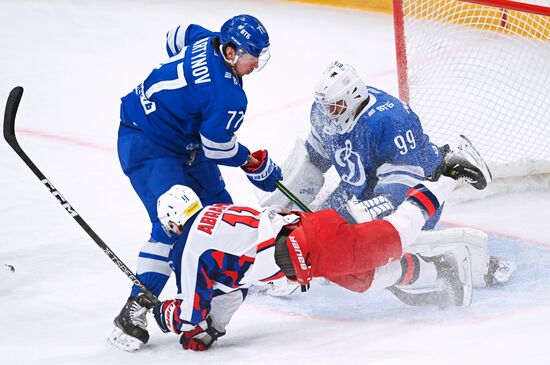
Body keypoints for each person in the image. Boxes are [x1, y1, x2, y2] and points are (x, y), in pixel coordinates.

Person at [110, 135, 492, 352]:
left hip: (309, 248)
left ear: (172, 222)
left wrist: (169, 315)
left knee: (396, 234)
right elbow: (232, 288)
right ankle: (437, 269)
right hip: (308, 244)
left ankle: (446, 171)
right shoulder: (217, 213)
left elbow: (191, 312)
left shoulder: (190, 249)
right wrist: (214, 329)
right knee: (362, 281)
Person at [257, 61, 515, 290]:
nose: (327, 113)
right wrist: (289, 194)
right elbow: (315, 158)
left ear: (353, 97)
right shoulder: (323, 112)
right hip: (358, 191)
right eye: (325, 107)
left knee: (358, 250)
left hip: (417, 193)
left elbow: (400, 189)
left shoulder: (390, 121)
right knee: (315, 234)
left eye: (334, 107)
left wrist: (361, 216)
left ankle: (455, 264)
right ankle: (273, 264)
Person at [109, 14, 283, 349]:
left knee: (224, 217)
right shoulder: (229, 97)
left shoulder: (206, 38)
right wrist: (253, 164)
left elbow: (176, 35)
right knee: (173, 225)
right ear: (230, 52)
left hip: (181, 141)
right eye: (251, 57)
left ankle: (217, 294)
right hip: (149, 143)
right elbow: (217, 148)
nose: (256, 64)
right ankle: (135, 307)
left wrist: (181, 100)